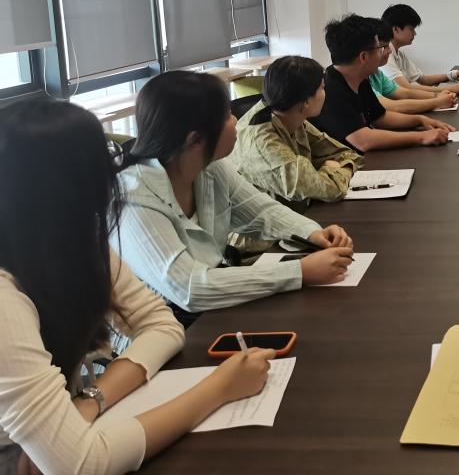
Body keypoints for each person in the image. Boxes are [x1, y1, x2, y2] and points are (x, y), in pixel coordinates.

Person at [0, 98, 275, 475]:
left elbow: (161, 324)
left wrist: (92, 401)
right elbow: (84, 464)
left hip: (56, 425)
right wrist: (219, 389)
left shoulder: (71, 243)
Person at [116, 71, 356, 317]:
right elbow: (190, 288)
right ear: (195, 140)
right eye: (227, 116)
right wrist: (300, 271)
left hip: (212, 305)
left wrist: (313, 233)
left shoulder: (209, 167)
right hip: (163, 324)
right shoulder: (133, 200)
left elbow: (262, 211)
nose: (236, 120)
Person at [233, 55, 363, 211]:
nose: (325, 93)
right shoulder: (263, 143)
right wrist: (337, 168)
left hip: (296, 214)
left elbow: (348, 155)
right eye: (322, 88)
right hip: (269, 224)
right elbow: (332, 190)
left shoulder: (291, 115)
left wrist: (332, 168)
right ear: (306, 101)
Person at [311, 14, 455, 152]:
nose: (384, 53)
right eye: (379, 49)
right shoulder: (330, 89)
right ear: (363, 57)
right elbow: (363, 141)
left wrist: (420, 120)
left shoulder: (359, 79)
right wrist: (421, 137)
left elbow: (380, 117)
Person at [381, 4, 459, 96]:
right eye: (411, 29)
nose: (415, 33)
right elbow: (406, 88)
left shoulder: (400, 55)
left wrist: (456, 74)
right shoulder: (385, 55)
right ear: (396, 29)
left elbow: (424, 79)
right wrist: (451, 89)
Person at [367, 19, 458, 114]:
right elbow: (395, 105)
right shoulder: (362, 82)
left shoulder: (377, 73)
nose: (415, 33)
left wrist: (437, 96)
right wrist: (438, 100)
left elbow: (405, 92)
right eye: (411, 29)